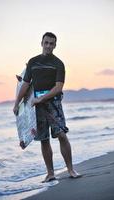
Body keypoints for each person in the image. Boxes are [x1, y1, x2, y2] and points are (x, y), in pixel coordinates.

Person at [13, 32, 81, 182]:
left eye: (51, 43)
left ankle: (70, 169)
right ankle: (50, 173)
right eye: (46, 43)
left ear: (55, 45)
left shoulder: (58, 64)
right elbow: (25, 84)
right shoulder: (33, 62)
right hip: (36, 107)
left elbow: (58, 87)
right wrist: (17, 103)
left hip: (53, 104)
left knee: (62, 135)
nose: (48, 46)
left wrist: (41, 98)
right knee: (44, 139)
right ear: (41, 43)